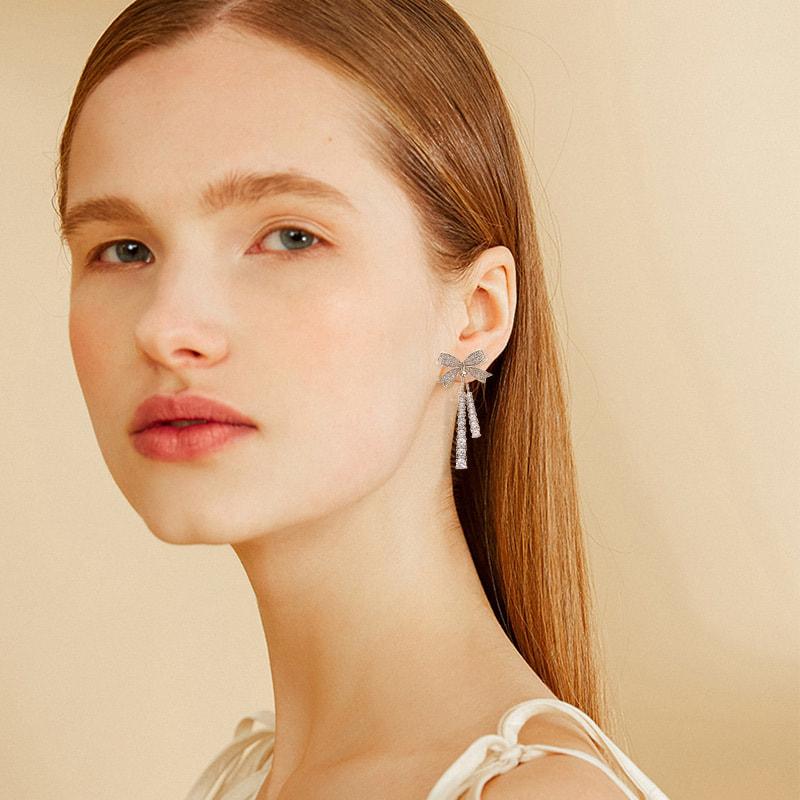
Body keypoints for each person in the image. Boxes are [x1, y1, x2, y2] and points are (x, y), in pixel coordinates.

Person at [56, 1, 671, 798]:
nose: (166, 327)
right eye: (124, 249)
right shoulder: (248, 776)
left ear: (476, 314)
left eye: (290, 237)